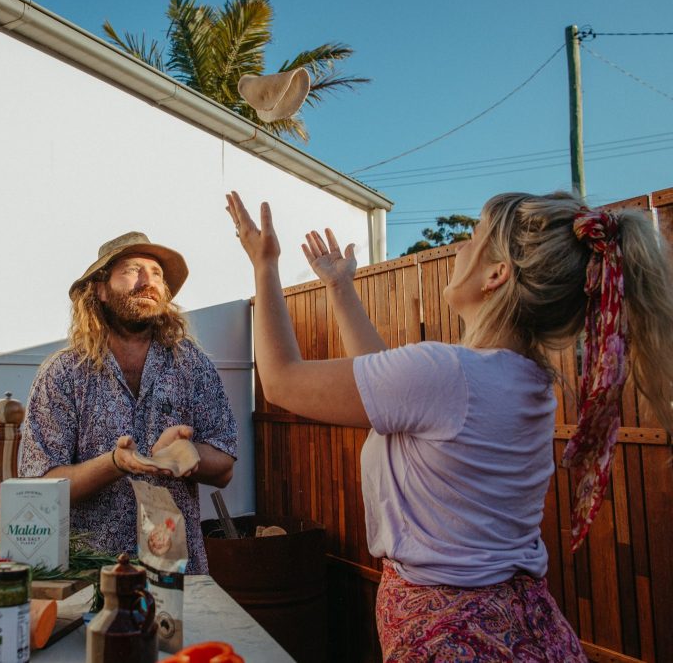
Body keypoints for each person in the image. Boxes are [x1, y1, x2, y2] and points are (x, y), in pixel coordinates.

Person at [225, 190, 673, 660]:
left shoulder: (448, 374)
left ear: (497, 273)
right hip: (523, 620)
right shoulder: (529, 382)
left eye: (473, 237)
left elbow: (281, 382)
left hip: (452, 632)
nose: (460, 248)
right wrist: (340, 287)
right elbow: (389, 387)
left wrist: (263, 262)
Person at [19, 231, 237, 574]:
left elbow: (224, 465)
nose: (147, 280)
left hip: (176, 566)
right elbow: (41, 487)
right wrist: (116, 463)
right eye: (132, 270)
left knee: (179, 628)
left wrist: (185, 454)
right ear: (101, 290)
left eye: (157, 274)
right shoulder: (63, 373)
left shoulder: (191, 364)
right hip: (91, 571)